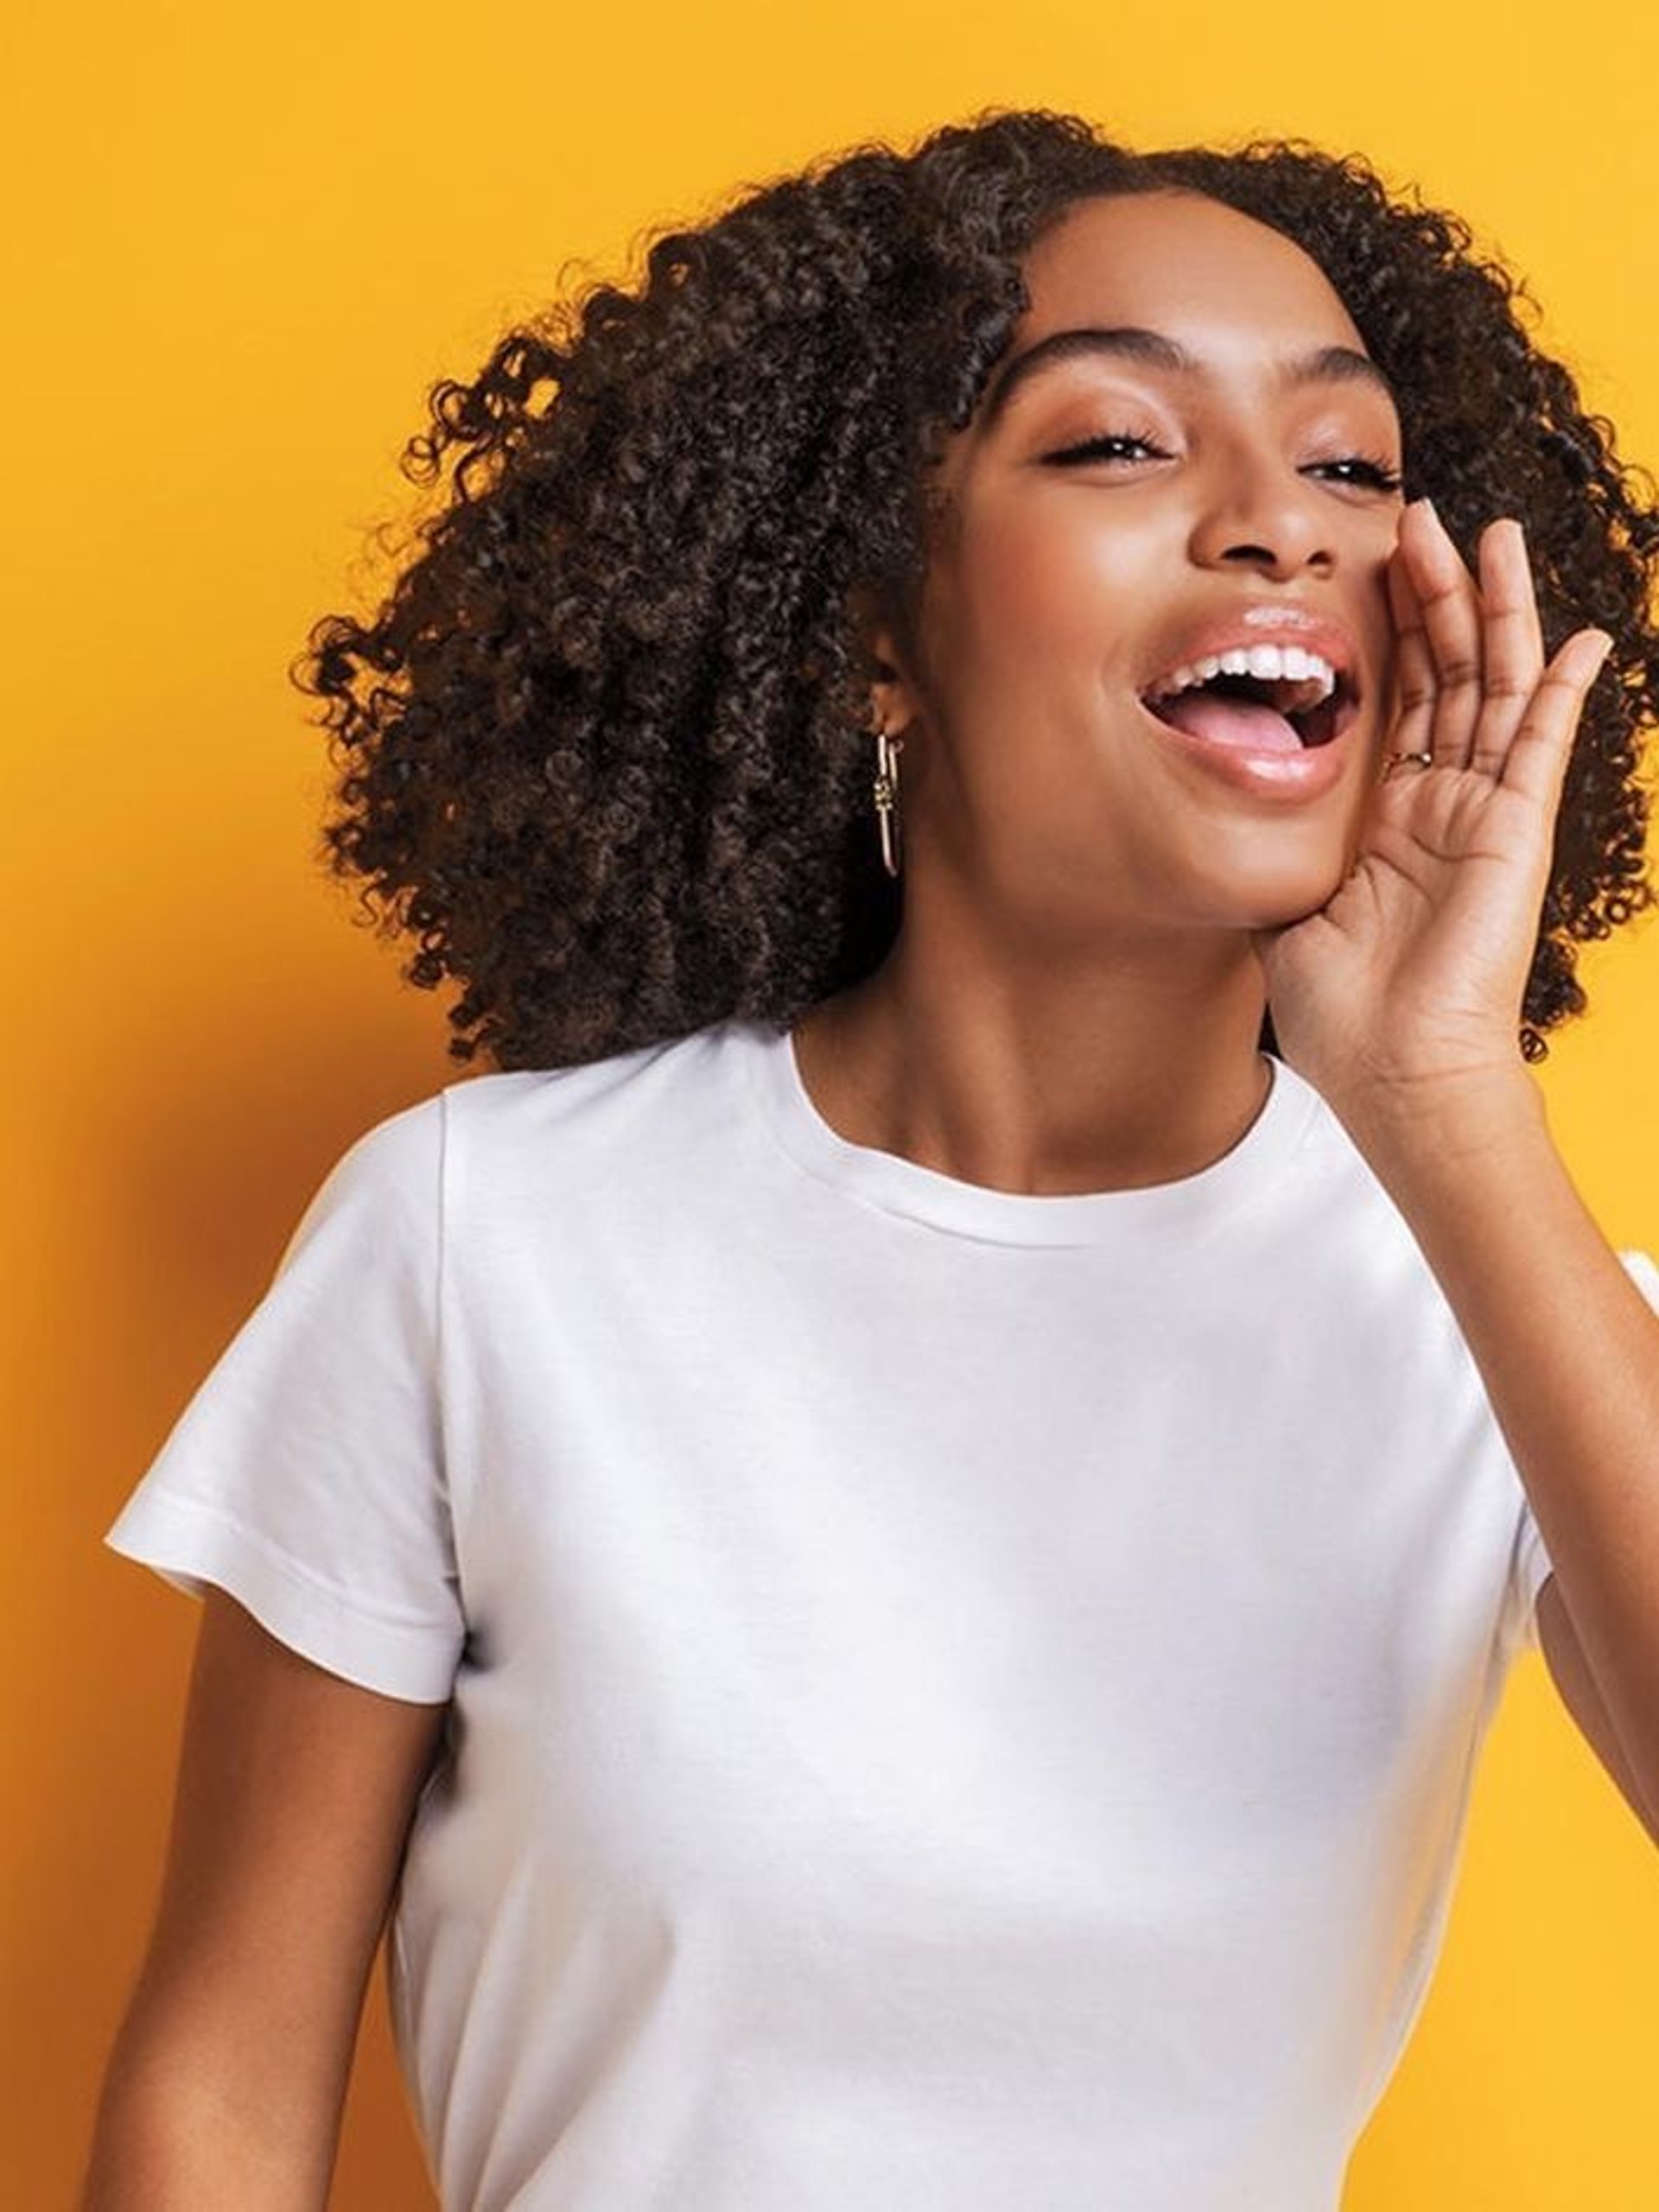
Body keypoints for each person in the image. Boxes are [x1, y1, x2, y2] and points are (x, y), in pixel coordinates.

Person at [85, 107, 1659, 2212]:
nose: (1282, 523)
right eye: (1117, 443)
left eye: (1354, 464)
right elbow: (221, 2090)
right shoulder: (487, 1235)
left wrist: (1447, 1103)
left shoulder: (1501, 1301)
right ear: (875, 637)